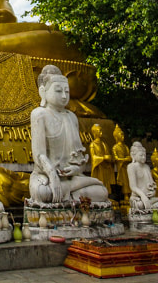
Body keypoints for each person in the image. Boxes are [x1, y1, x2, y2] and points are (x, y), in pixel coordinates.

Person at [29, 65, 109, 204]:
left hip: (71, 178)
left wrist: (76, 168)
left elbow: (78, 158)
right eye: (58, 91)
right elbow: (39, 155)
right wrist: (53, 176)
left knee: (102, 192)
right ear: (43, 92)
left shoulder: (71, 117)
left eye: (67, 91)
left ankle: (66, 193)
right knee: (42, 192)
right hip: (46, 177)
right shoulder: (39, 114)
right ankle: (72, 196)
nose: (64, 96)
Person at [127, 142, 158, 210]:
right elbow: (133, 187)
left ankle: (150, 206)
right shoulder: (131, 167)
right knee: (140, 205)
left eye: (144, 155)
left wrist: (153, 192)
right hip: (138, 198)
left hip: (150, 197)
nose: (143, 157)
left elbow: (152, 183)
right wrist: (143, 196)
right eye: (141, 155)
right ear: (133, 155)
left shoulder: (147, 167)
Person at [89, 123, 115, 193]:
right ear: (94, 132)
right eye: (99, 131)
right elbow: (93, 157)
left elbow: (108, 154)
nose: (101, 132)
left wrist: (109, 158)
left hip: (105, 167)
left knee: (106, 182)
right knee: (99, 181)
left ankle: (107, 194)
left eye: (101, 130)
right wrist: (103, 158)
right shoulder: (93, 144)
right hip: (98, 166)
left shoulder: (104, 144)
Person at [112, 124, 131, 201]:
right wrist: (123, 160)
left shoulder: (126, 147)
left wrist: (127, 159)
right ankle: (125, 196)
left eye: (123, 134)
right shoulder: (115, 147)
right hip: (121, 167)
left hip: (126, 167)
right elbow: (116, 158)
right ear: (116, 136)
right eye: (120, 134)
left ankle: (129, 194)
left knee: (129, 180)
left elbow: (129, 156)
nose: (122, 136)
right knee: (123, 182)